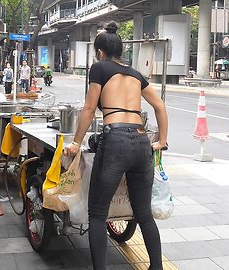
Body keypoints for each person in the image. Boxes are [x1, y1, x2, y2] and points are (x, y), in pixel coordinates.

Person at [63, 21, 168, 270]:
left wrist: (76, 143)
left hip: (116, 141)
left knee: (98, 214)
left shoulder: (99, 68)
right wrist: (161, 141)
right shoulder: (135, 74)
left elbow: (89, 108)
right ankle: (156, 267)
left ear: (99, 52)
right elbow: (160, 106)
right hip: (142, 141)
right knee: (144, 213)